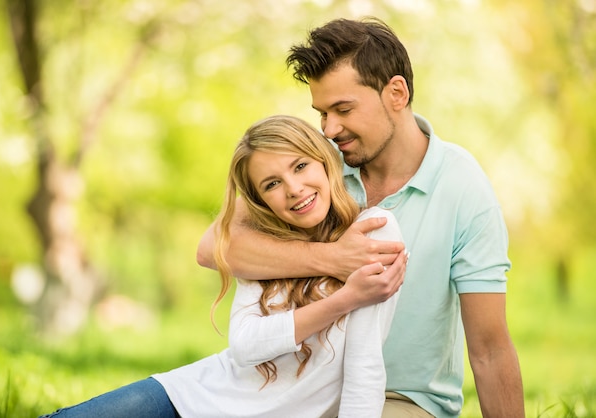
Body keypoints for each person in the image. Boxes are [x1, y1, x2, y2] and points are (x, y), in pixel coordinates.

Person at [197, 17, 525, 418]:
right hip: (294, 392)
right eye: (321, 112)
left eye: (343, 109)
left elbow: (490, 349)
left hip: (399, 399)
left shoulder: (462, 187)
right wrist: (331, 258)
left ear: (396, 93)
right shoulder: (314, 167)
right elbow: (213, 247)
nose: (330, 128)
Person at [39, 115, 408, 418]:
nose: (294, 188)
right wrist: (344, 300)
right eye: (272, 183)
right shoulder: (265, 245)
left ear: (325, 161)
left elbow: (365, 368)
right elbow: (246, 346)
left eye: (300, 166)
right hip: (188, 397)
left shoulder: (375, 231)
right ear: (260, 200)